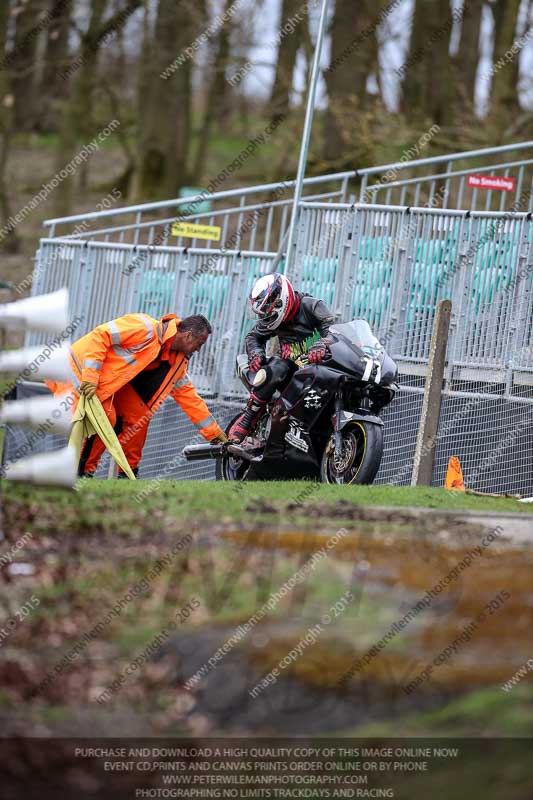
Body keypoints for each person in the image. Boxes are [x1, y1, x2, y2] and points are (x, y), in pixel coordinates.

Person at [48, 312, 227, 477]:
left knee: (139, 417)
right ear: (188, 336)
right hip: (73, 373)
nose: (198, 350)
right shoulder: (144, 327)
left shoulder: (177, 362)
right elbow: (100, 335)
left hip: (102, 385)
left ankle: (127, 474)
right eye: (200, 344)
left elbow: (189, 398)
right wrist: (90, 376)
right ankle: (80, 473)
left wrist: (214, 433)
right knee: (103, 419)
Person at [228, 273, 334, 443]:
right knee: (278, 366)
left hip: (318, 367)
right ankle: (249, 417)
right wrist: (255, 352)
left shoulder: (312, 306)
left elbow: (333, 328)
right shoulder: (273, 318)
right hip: (290, 371)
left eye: (267, 314)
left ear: (280, 301)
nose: (265, 318)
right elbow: (253, 337)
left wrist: (322, 343)